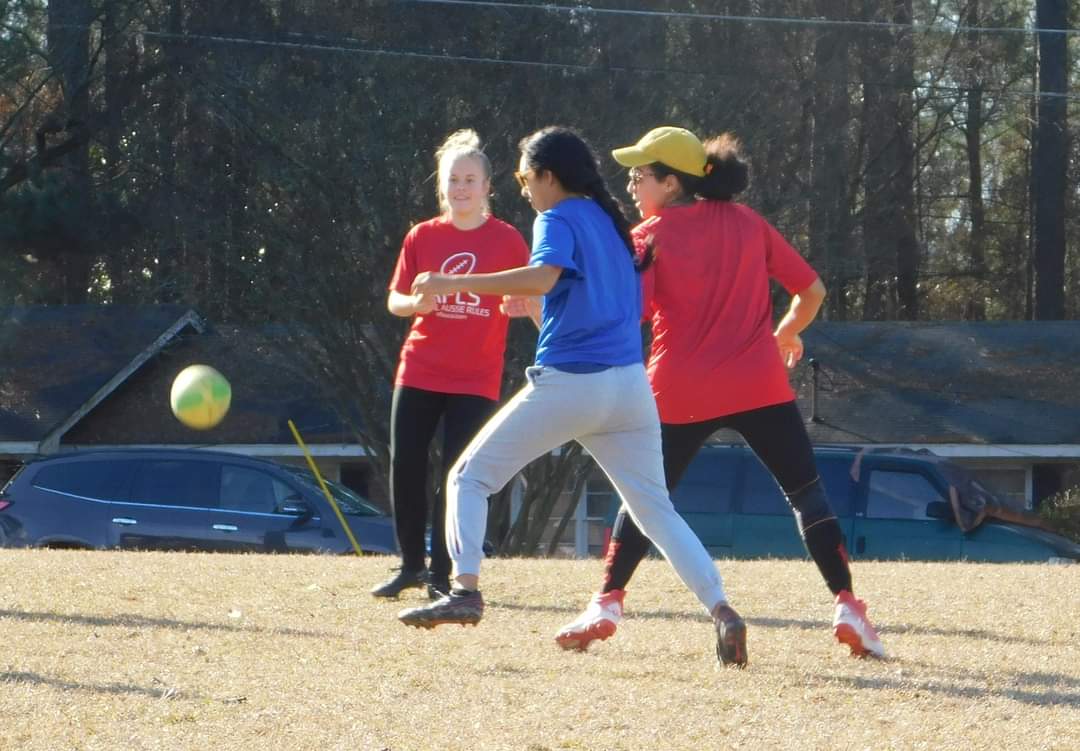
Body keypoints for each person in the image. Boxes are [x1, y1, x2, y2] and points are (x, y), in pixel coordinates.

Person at [397, 126, 748, 667]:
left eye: (524, 177)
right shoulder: (612, 224)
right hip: (629, 386)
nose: (523, 188)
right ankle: (722, 611)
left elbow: (543, 276)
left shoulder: (556, 215)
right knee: (656, 510)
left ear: (548, 176)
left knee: (468, 478)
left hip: (573, 383)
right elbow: (574, 298)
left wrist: (449, 284)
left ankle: (464, 589)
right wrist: (536, 308)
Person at [554, 126, 886, 659]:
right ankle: (848, 605)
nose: (633, 185)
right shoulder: (749, 223)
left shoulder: (649, 236)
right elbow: (813, 290)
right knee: (805, 494)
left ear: (671, 182)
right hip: (758, 383)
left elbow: (631, 315)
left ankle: (607, 603)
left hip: (677, 389)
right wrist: (787, 331)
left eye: (640, 175)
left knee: (645, 499)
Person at [373, 129, 529, 600]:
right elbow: (395, 301)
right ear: (441, 187)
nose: (461, 188)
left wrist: (517, 306)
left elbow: (528, 294)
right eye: (453, 180)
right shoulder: (422, 236)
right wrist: (415, 305)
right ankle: (409, 566)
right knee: (406, 464)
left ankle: (443, 573)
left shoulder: (507, 240)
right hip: (419, 369)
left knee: (457, 476)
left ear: (486, 187)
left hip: (476, 378)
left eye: (470, 179)